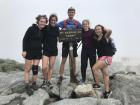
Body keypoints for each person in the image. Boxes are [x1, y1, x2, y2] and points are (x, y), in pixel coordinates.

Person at [22, 15, 48, 95]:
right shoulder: (31, 28)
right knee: (27, 68)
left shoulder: (44, 30)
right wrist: (24, 50)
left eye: (44, 22)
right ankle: (27, 85)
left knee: (35, 69)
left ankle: (34, 84)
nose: (42, 23)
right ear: (38, 21)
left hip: (38, 52)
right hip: (29, 51)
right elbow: (25, 39)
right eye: (41, 21)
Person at [57, 7, 82, 84]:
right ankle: (60, 76)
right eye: (70, 12)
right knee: (63, 60)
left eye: (72, 12)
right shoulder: (64, 22)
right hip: (65, 43)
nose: (71, 13)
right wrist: (60, 32)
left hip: (74, 44)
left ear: (74, 13)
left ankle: (73, 76)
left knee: (73, 60)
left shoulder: (77, 23)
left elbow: (81, 31)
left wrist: (79, 39)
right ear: (67, 13)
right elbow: (56, 26)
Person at [92, 24, 113, 98]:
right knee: (105, 75)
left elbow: (110, 31)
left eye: (99, 29)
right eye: (96, 29)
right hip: (101, 57)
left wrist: (104, 29)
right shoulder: (96, 38)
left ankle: (97, 84)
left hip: (107, 57)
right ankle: (107, 91)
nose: (97, 30)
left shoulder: (105, 37)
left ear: (102, 30)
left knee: (94, 68)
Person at [41, 14, 59, 87]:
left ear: (56, 21)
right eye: (52, 20)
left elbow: (60, 38)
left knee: (51, 66)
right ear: (49, 20)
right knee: (44, 67)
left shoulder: (57, 29)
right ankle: (44, 79)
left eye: (54, 20)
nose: (53, 21)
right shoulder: (45, 27)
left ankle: (48, 81)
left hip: (54, 50)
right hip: (45, 50)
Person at [80, 19, 97, 84]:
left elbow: (97, 39)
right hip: (84, 50)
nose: (85, 25)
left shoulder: (92, 31)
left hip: (92, 50)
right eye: (83, 24)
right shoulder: (81, 31)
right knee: (83, 65)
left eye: (86, 24)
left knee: (93, 66)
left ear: (88, 24)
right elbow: (77, 39)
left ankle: (95, 80)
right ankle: (83, 79)